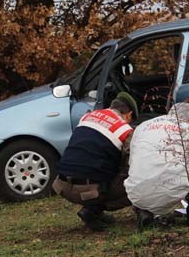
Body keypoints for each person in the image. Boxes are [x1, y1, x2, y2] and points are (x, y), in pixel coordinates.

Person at [124, 102, 189, 229]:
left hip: (136, 193)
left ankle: (143, 212)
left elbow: (131, 158)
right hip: (172, 191)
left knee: (139, 161)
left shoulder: (142, 126)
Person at [53, 92, 138, 231]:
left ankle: (93, 211)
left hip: (61, 185)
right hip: (87, 191)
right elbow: (131, 164)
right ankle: (92, 209)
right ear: (129, 114)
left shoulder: (87, 117)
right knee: (136, 183)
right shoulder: (125, 130)